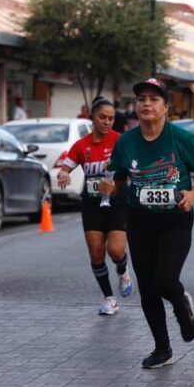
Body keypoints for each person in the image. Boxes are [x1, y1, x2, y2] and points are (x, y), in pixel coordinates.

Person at [101, 78, 194, 369]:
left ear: (166, 107)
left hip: (175, 220)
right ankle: (162, 349)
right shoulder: (126, 142)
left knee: (165, 279)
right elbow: (117, 178)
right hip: (140, 221)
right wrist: (108, 186)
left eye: (153, 99)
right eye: (141, 99)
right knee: (148, 288)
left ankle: (181, 305)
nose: (146, 104)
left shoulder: (182, 139)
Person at [58, 96, 132, 316]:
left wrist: (117, 184)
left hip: (117, 202)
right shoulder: (82, 145)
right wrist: (63, 174)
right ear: (92, 117)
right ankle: (109, 298)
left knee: (116, 250)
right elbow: (67, 166)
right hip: (92, 204)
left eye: (111, 118)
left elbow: (130, 169)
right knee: (97, 253)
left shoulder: (121, 141)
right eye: (102, 117)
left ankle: (123, 271)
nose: (107, 122)